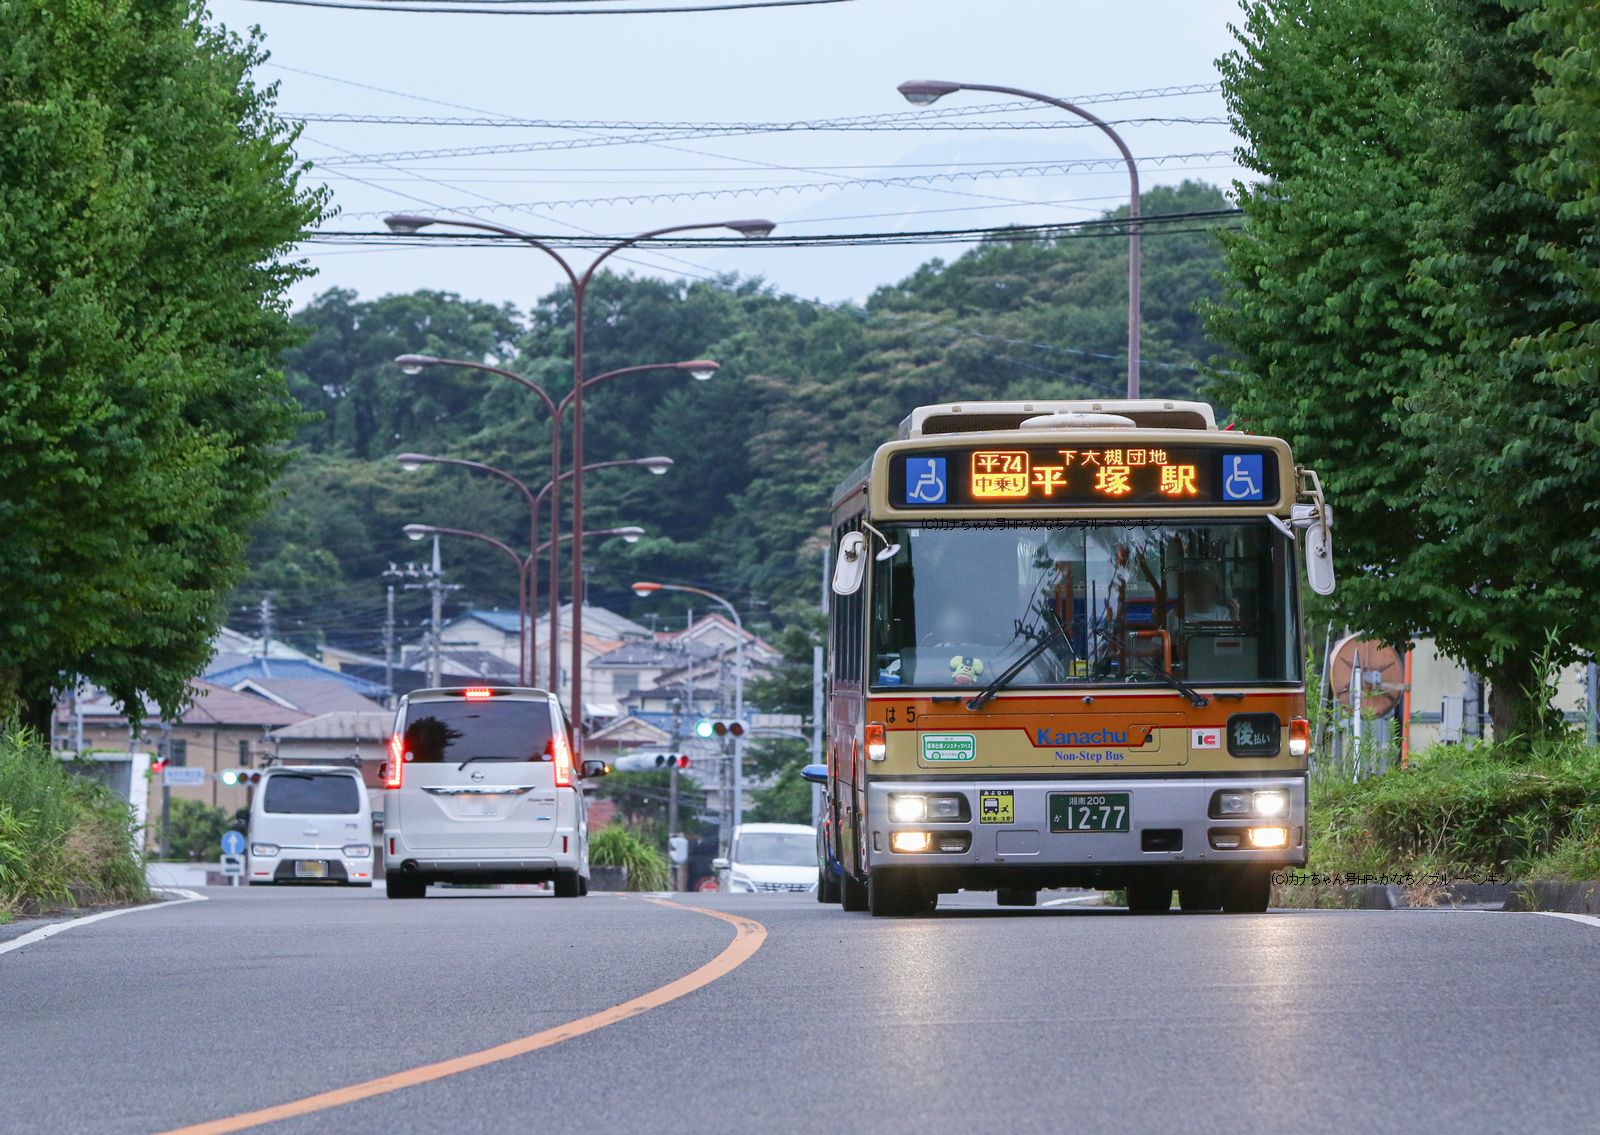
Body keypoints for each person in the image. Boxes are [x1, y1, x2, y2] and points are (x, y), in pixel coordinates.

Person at [1169, 567, 1238, 634]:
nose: (1204, 595)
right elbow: (1168, 639)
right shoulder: (1176, 614)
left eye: (1209, 589)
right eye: (1198, 589)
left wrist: (1236, 617)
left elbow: (1233, 639)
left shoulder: (1223, 614)